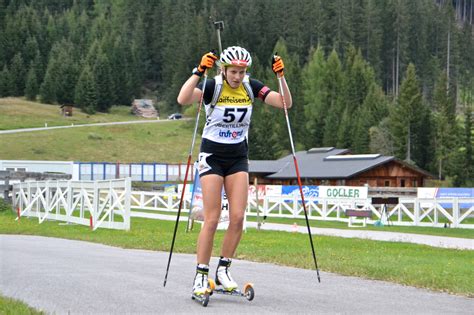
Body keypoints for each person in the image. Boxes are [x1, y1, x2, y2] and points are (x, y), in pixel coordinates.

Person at [177, 46, 292, 296]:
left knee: (238, 217)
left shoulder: (251, 86)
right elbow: (183, 99)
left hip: (238, 156)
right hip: (213, 157)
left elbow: (284, 104)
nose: (238, 76)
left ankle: (223, 270)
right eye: (233, 72)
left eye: (242, 71)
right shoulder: (213, 86)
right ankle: (201, 274)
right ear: (224, 69)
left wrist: (281, 78)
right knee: (212, 218)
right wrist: (198, 71)